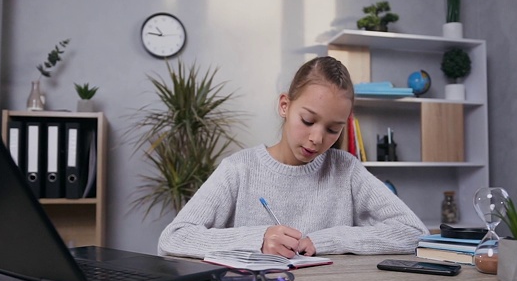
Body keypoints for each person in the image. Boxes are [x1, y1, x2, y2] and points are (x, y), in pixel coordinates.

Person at [158, 56, 428, 259]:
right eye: (308, 120)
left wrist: (332, 239)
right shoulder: (239, 169)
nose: (317, 138)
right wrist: (258, 239)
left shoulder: (346, 169)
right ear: (285, 105)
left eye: (333, 129)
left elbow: (414, 232)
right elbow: (173, 238)